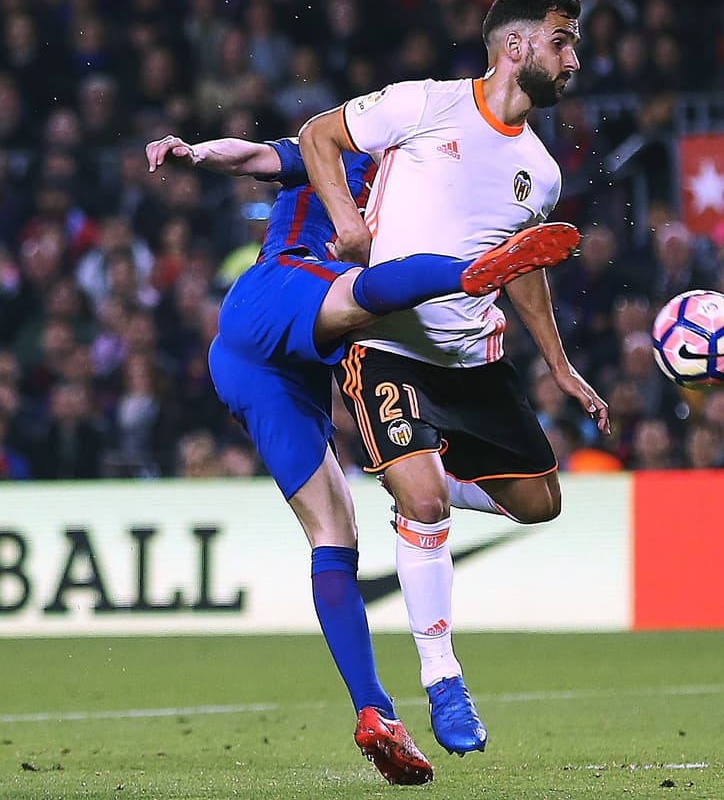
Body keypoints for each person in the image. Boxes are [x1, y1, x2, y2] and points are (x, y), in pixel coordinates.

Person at [145, 132, 578, 783]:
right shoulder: (342, 155)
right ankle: (476, 272)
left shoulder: (429, 200)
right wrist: (198, 155)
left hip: (259, 366)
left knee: (333, 533)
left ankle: (375, 712)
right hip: (275, 293)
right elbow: (258, 156)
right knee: (367, 293)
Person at [298, 0, 609, 758]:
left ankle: (413, 475)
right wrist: (346, 221)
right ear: (515, 47)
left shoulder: (540, 170)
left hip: (475, 360)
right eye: (562, 41)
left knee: (541, 504)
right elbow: (315, 136)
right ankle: (442, 673)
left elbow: (522, 264)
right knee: (427, 496)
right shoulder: (423, 105)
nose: (573, 58)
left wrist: (560, 364)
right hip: (388, 344)